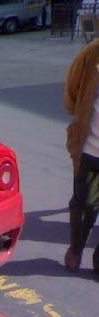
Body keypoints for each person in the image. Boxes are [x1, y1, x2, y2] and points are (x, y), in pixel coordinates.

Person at [63, 40, 99, 272]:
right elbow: (72, 92)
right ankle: (76, 247)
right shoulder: (92, 53)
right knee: (84, 203)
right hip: (91, 148)